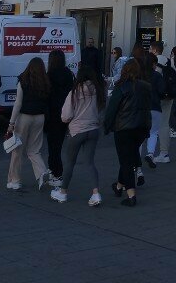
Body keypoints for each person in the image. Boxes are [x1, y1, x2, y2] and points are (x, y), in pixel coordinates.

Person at [51, 62, 105, 207]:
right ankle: (95, 193)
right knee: (90, 162)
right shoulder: (98, 91)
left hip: (77, 130)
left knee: (70, 162)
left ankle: (63, 192)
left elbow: (66, 116)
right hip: (93, 129)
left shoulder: (74, 92)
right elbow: (101, 111)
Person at [103, 59, 151, 207]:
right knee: (128, 156)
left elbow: (112, 108)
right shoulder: (146, 87)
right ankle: (118, 186)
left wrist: (107, 126)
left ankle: (131, 194)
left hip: (124, 127)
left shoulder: (121, 87)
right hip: (141, 127)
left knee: (125, 160)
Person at [5, 57, 53, 191]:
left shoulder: (23, 81)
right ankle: (42, 172)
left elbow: (18, 103)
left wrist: (11, 123)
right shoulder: (45, 82)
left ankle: (15, 180)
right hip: (40, 117)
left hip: (24, 117)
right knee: (34, 149)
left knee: (17, 151)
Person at [45, 50, 74, 184]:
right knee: (58, 144)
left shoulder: (49, 75)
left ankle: (56, 172)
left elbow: (46, 94)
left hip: (52, 113)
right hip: (65, 112)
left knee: (52, 145)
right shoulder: (68, 73)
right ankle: (54, 170)